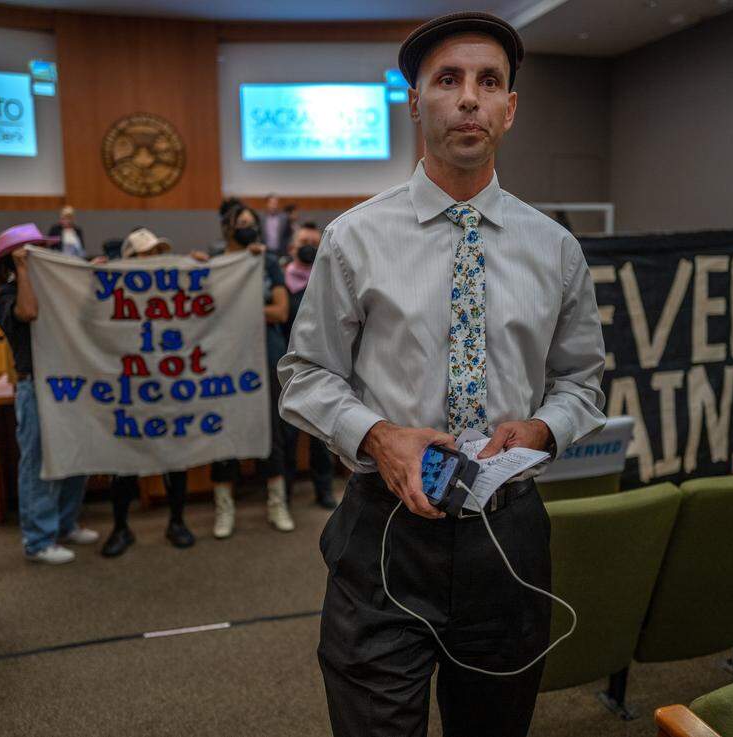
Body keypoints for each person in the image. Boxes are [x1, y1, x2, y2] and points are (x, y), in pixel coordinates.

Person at [278, 12, 607, 736]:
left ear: (509, 109)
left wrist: (545, 426)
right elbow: (304, 375)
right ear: (415, 100)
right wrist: (378, 437)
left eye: (489, 82)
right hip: (384, 533)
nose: (469, 98)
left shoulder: (554, 249)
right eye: (448, 80)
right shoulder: (352, 239)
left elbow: (584, 380)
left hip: (506, 537)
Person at [0, 223, 98, 564]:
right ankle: (38, 540)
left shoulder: (56, 289)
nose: (39, 255)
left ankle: (65, 524)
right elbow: (29, 312)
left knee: (75, 455)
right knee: (39, 461)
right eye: (29, 251)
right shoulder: (6, 294)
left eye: (40, 248)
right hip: (35, 385)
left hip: (68, 384)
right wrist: (23, 269)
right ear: (11, 260)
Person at [100, 228, 200, 557]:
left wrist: (206, 270)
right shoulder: (111, 293)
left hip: (169, 383)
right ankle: (120, 527)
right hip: (128, 387)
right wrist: (91, 277)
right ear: (129, 260)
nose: (155, 260)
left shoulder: (174, 288)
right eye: (147, 254)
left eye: (158, 252)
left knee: (176, 457)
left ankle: (177, 521)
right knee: (123, 461)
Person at [209, 205, 296, 538]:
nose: (246, 228)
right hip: (225, 357)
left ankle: (277, 504)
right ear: (227, 228)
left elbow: (279, 310)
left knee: (269, 427)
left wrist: (239, 310)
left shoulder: (267, 261)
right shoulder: (215, 263)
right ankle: (224, 509)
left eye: (251, 223)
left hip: (264, 352)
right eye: (239, 224)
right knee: (223, 426)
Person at [282, 223, 337, 509]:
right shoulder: (281, 281)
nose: (309, 246)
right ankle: (285, 494)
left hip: (321, 369)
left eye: (314, 242)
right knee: (287, 438)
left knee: (320, 439)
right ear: (292, 247)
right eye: (304, 241)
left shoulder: (327, 280)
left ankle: (324, 489)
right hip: (287, 372)